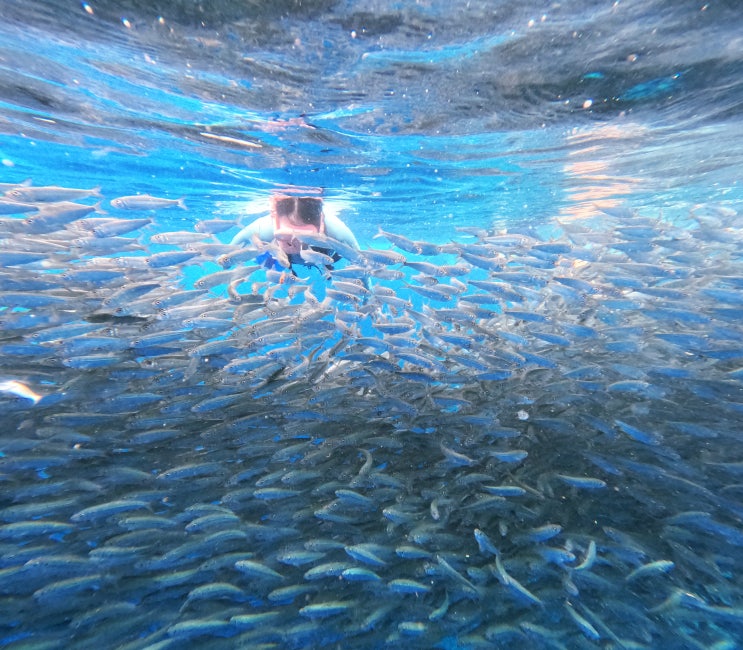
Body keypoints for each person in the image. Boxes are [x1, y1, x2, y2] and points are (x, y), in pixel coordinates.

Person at [231, 192, 361, 277]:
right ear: (275, 223)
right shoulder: (262, 229)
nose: (296, 245)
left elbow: (362, 265)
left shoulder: (336, 232)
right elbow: (227, 255)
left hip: (326, 256)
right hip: (280, 258)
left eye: (307, 237)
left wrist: (367, 296)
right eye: (286, 236)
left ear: (321, 226)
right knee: (264, 260)